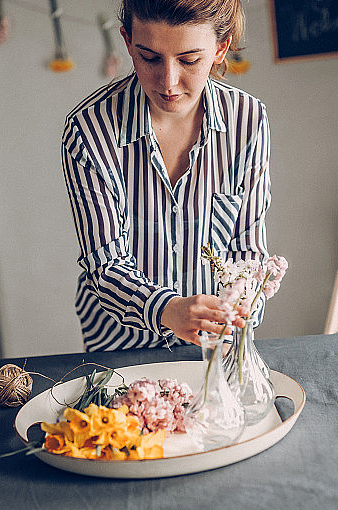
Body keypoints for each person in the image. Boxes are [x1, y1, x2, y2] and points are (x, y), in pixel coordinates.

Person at [62, 0, 270, 352]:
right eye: (149, 57)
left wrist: (241, 306)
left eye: (189, 60)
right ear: (128, 42)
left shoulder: (248, 121)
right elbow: (105, 264)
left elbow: (247, 248)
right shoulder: (89, 132)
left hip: (214, 340)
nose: (169, 82)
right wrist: (168, 310)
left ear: (221, 49)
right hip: (120, 343)